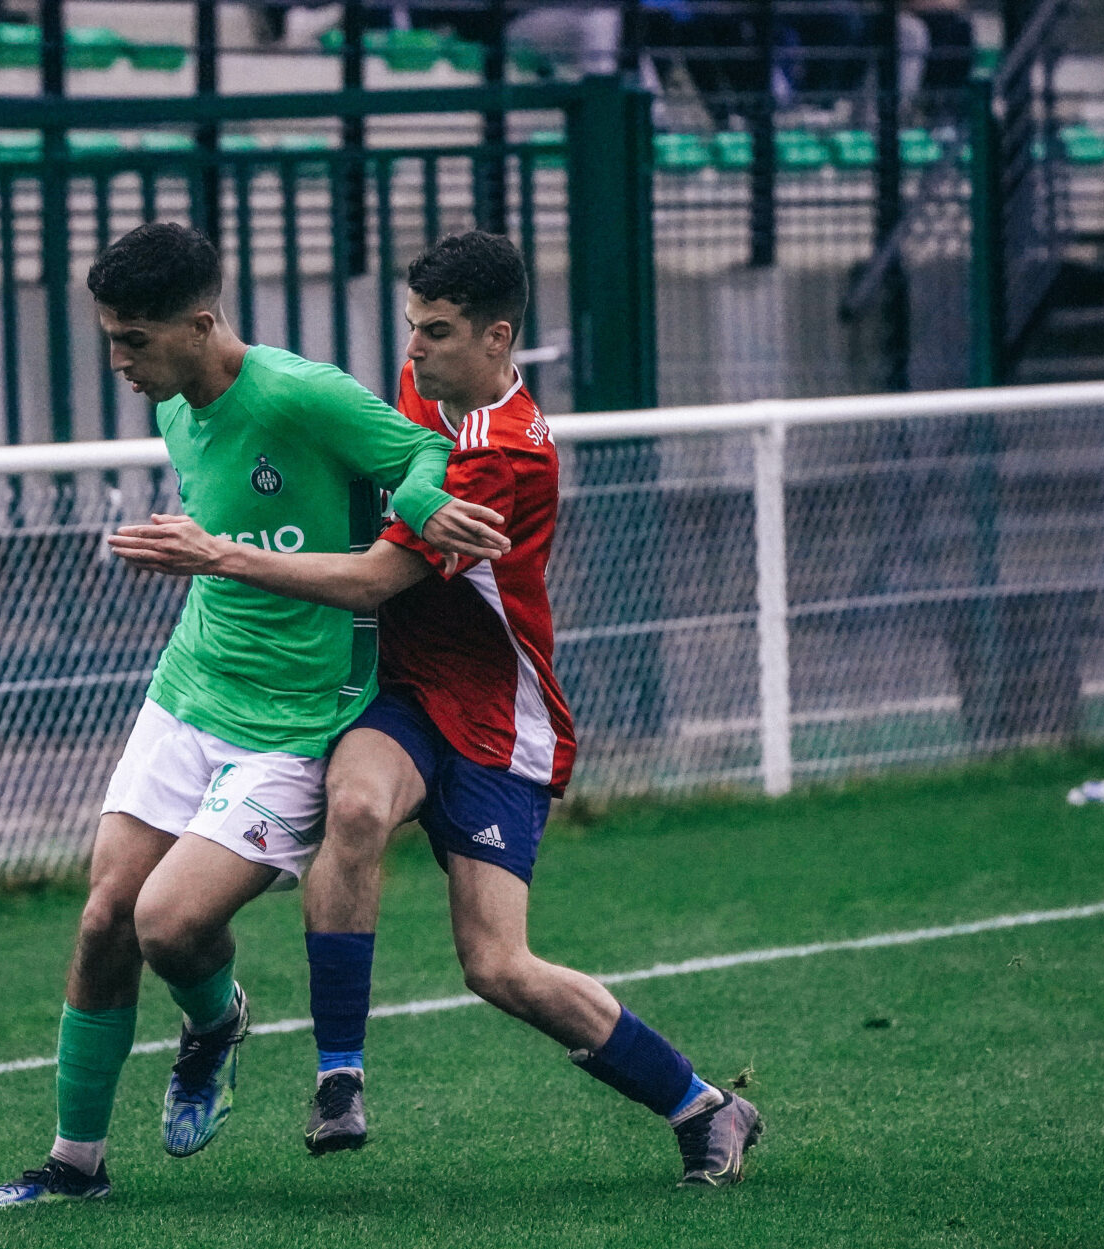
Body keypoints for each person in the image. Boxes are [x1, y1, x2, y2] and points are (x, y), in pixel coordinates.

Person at [108, 231, 764, 1188]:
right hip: (410, 695)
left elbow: (377, 580)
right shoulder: (424, 397)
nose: (414, 350)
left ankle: (704, 1104)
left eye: (439, 332)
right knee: (358, 801)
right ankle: (339, 1076)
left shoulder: (511, 459)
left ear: (499, 340)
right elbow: (386, 453)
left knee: (497, 965)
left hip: (500, 717)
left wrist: (224, 554)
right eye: (412, 326)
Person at [0, 222, 512, 1210]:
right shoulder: (175, 407)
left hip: (296, 719)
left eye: (133, 340)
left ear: (201, 324)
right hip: (189, 690)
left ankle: (213, 1023)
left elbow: (423, 450)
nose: (118, 361)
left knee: (169, 925)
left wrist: (422, 507)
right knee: (103, 920)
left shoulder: (295, 395)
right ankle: (72, 1166)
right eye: (110, 338)